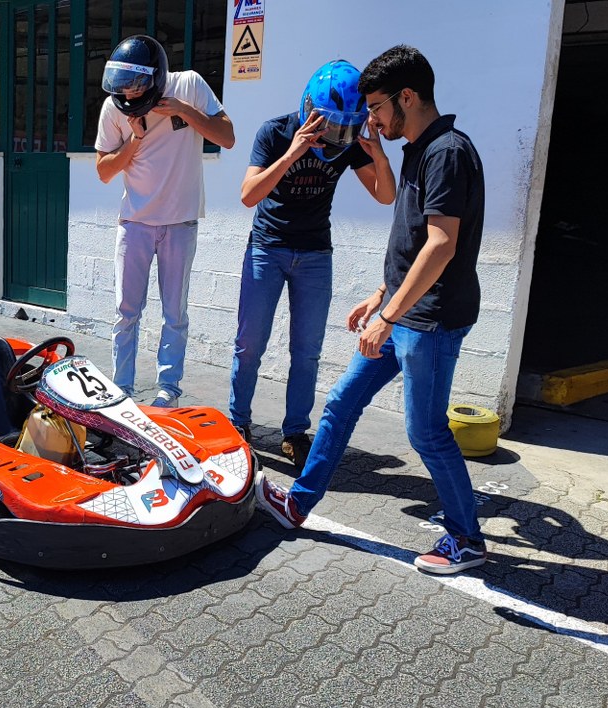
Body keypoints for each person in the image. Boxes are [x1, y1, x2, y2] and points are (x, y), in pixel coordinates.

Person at [258, 45, 489, 574]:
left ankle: (467, 539)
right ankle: (299, 503)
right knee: (340, 404)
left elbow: (441, 244)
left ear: (407, 96)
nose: (371, 119)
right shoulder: (418, 149)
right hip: (405, 310)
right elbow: (413, 243)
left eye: (377, 106)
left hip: (430, 320)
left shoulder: (447, 152)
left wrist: (389, 316)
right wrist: (383, 295)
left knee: (426, 431)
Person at [229, 60, 395, 466]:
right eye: (329, 128)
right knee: (250, 344)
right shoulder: (275, 131)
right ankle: (238, 423)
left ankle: (295, 432)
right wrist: (293, 152)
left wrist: (380, 156)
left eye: (344, 129)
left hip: (316, 254)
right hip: (268, 248)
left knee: (307, 351)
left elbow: (385, 195)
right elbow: (249, 195)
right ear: (309, 110)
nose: (335, 139)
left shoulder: (348, 141)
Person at [95, 34, 235, 407]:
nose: (127, 91)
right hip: (135, 223)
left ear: (155, 77)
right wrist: (135, 140)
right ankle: (121, 390)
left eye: (135, 83)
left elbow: (227, 137)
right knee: (126, 312)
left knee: (175, 314)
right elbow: (103, 171)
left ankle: (167, 391)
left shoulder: (188, 84)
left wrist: (184, 111)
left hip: (180, 223)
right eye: (121, 83)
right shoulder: (115, 109)